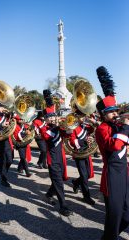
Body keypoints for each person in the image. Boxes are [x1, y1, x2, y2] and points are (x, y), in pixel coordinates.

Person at [95, 66, 129, 240]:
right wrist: (125, 127)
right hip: (112, 175)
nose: (116, 114)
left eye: (116, 111)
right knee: (114, 216)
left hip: (124, 172)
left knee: (127, 214)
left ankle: (110, 236)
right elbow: (115, 146)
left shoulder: (115, 125)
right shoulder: (102, 128)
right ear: (103, 114)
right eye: (111, 112)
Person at [40, 108, 73, 217]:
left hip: (61, 158)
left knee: (58, 180)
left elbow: (68, 134)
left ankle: (49, 194)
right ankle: (63, 206)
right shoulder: (44, 128)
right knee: (59, 182)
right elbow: (46, 136)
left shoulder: (58, 128)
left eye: (53, 116)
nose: (53, 118)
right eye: (49, 117)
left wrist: (70, 128)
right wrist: (58, 127)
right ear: (45, 119)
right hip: (52, 160)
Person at [68, 112, 95, 205]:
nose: (84, 118)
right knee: (84, 176)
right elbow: (72, 141)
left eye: (84, 115)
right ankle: (86, 196)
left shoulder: (86, 126)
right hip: (79, 153)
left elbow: (94, 130)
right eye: (81, 116)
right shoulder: (73, 127)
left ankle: (75, 182)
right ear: (76, 116)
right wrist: (84, 140)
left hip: (87, 152)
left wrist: (93, 122)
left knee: (87, 174)